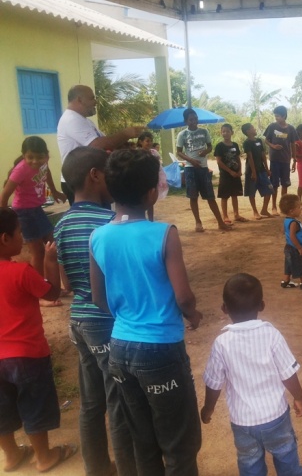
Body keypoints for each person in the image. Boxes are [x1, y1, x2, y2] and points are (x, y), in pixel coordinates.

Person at [90, 149, 202, 475]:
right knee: (179, 443)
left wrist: (128, 317)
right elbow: (183, 297)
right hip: (161, 350)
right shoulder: (164, 233)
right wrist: (193, 315)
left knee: (143, 439)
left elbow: (98, 298)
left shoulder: (98, 236)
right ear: (152, 192)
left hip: (119, 348)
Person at [54, 147, 136, 476]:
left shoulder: (61, 224)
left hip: (78, 320)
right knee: (117, 398)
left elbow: (66, 283)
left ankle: (97, 468)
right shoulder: (107, 223)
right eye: (108, 174)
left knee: (90, 402)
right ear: (95, 175)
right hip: (104, 321)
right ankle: (128, 469)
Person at [201, 273, 302, 476]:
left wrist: (208, 409)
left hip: (243, 422)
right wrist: (299, 397)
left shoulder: (221, 343)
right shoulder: (272, 335)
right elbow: (288, 373)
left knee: (249, 464)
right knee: (286, 455)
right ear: (261, 305)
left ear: (224, 308)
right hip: (275, 416)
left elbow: (214, 383)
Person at [0, 207, 78, 473]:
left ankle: (11, 455)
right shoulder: (21, 272)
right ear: (5, 238)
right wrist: (50, 260)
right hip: (27, 355)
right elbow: (52, 293)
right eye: (19, 233)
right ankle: (44, 457)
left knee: (2, 407)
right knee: (34, 404)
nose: (22, 238)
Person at [57, 85, 144, 203]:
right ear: (79, 100)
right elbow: (96, 145)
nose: (96, 101)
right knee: (92, 215)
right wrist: (125, 134)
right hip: (81, 182)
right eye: (92, 98)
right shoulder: (71, 119)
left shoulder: (85, 121)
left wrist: (125, 143)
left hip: (91, 179)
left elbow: (106, 142)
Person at [1, 136, 66, 283]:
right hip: (24, 213)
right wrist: (4, 219)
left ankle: (51, 283)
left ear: (46, 155)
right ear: (24, 155)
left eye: (40, 157)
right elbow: (4, 195)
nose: (35, 161)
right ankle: (39, 288)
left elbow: (46, 172)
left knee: (52, 244)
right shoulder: (20, 170)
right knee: (38, 252)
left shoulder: (43, 163)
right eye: (30, 157)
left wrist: (54, 191)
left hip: (36, 209)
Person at [176, 108, 231, 232]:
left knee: (210, 196)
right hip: (190, 168)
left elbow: (210, 147)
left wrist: (205, 152)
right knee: (193, 196)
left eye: (195, 119)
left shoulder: (204, 131)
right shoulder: (182, 134)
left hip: (203, 168)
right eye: (191, 119)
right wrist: (191, 160)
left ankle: (220, 222)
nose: (194, 121)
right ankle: (198, 222)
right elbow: (179, 152)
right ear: (186, 121)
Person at [264, 106, 298, 216]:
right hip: (275, 159)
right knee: (274, 184)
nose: (276, 118)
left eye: (278, 116)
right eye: (275, 116)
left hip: (285, 159)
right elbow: (266, 140)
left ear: (284, 116)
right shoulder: (272, 126)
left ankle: (283, 207)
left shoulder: (291, 129)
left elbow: (293, 144)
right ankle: (273, 206)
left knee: (285, 184)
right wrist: (273, 146)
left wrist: (294, 159)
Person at [214, 123, 248, 224]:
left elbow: (237, 158)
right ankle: (225, 216)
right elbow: (219, 161)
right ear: (221, 133)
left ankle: (236, 214)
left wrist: (239, 170)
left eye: (227, 131)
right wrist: (230, 171)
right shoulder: (219, 146)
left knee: (235, 194)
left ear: (232, 132)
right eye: (223, 131)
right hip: (225, 175)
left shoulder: (235, 145)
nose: (225, 133)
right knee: (224, 196)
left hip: (235, 174)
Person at [242, 122, 274, 220]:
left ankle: (264, 209)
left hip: (262, 170)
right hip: (251, 171)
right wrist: (254, 172)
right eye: (253, 128)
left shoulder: (259, 141)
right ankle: (255, 211)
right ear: (248, 131)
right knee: (251, 192)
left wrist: (267, 169)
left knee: (269, 189)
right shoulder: (247, 143)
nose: (255, 129)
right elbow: (250, 157)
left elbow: (263, 155)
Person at [137, 131, 168, 222]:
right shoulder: (137, 153)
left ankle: (151, 220)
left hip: (151, 178)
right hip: (141, 179)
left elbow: (158, 166)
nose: (150, 143)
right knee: (141, 199)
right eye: (147, 141)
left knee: (150, 201)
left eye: (151, 141)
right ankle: (141, 219)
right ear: (140, 142)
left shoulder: (154, 152)